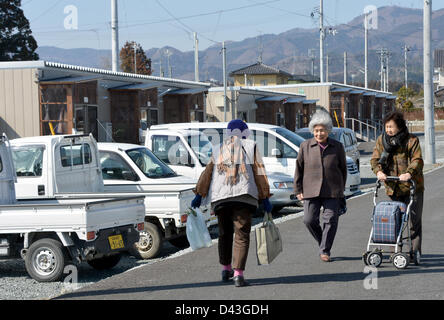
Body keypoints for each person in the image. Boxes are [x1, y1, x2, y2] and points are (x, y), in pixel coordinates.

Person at [191, 119, 272, 287]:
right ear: (244, 131)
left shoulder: (217, 148)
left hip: (221, 198)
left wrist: (199, 194)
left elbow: (207, 173)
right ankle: (238, 274)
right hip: (244, 197)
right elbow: (259, 172)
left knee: (224, 233)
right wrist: (265, 197)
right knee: (241, 235)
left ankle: (225, 269)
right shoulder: (251, 146)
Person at [294, 110, 347, 262]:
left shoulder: (337, 146)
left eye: (322, 130)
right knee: (309, 220)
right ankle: (323, 242)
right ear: (312, 131)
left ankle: (325, 250)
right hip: (310, 189)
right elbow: (299, 168)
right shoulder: (305, 146)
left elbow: (343, 169)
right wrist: (298, 189)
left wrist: (341, 189)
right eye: (316, 130)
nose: (319, 133)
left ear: (328, 130)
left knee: (330, 220)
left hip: (333, 190)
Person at [370, 110, 424, 260]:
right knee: (395, 220)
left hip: (413, 186)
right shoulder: (382, 140)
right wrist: (379, 172)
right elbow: (374, 160)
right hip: (393, 187)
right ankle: (396, 251)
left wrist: (409, 173)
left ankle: (415, 251)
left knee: (414, 220)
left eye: (391, 127)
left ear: (400, 126)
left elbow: (417, 160)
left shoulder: (411, 140)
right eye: (386, 127)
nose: (388, 130)